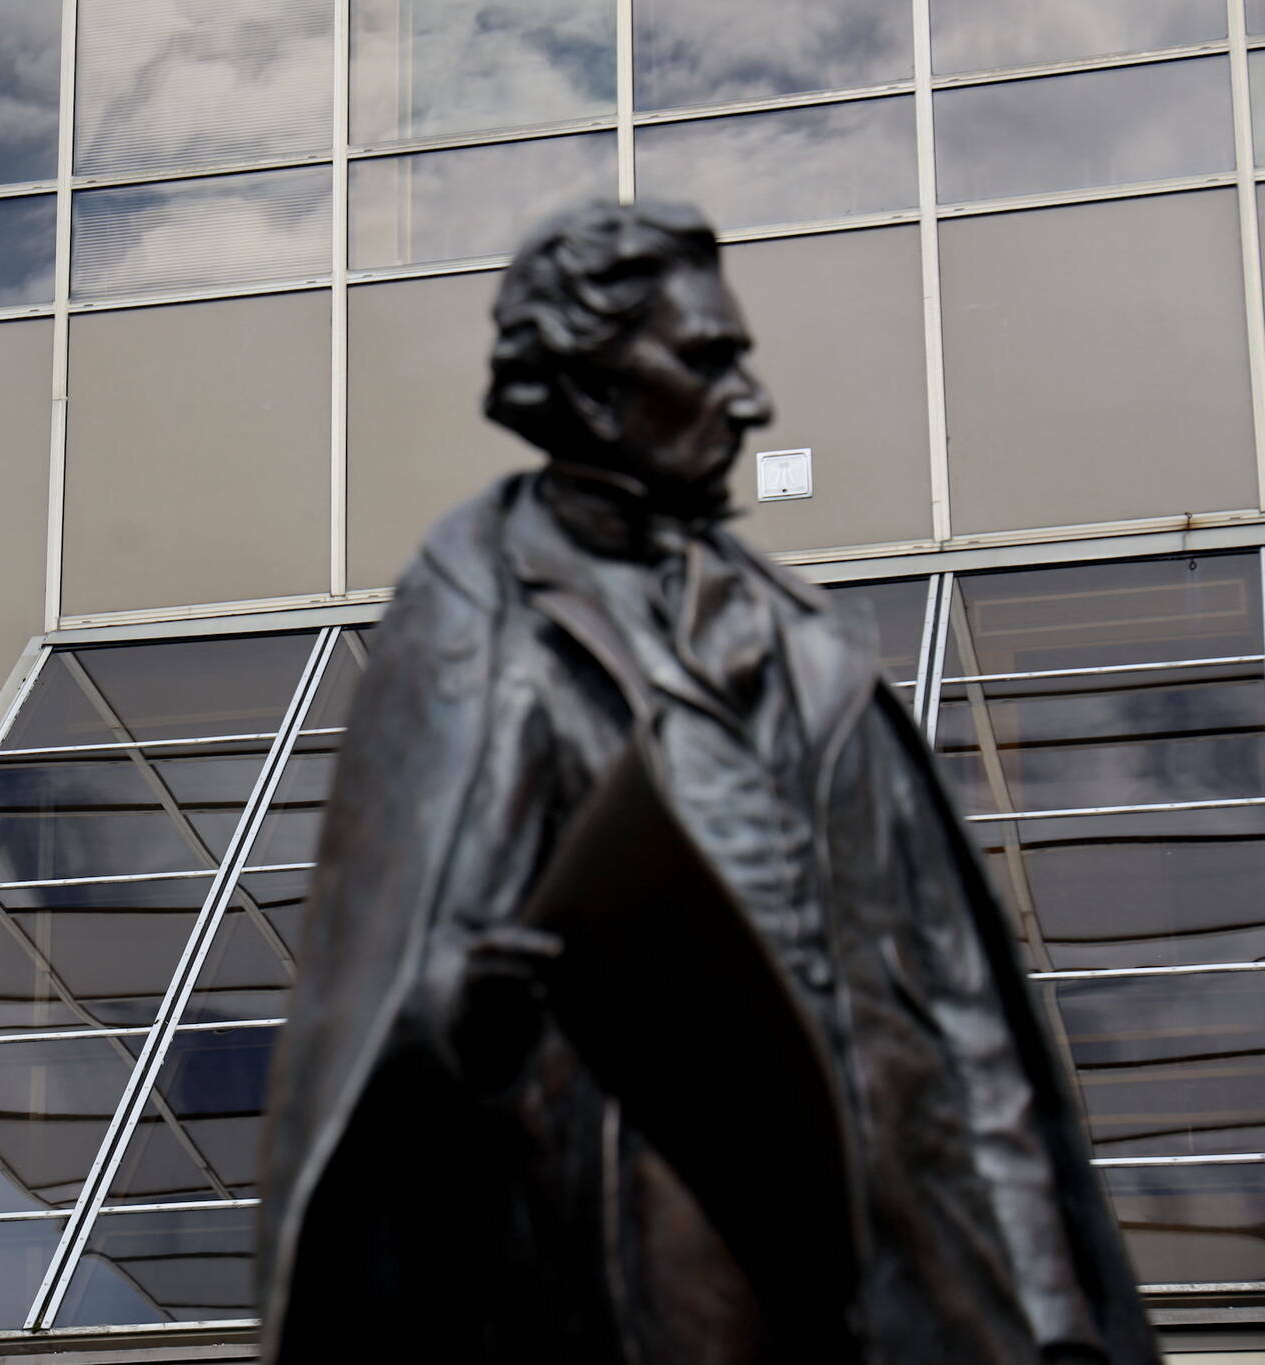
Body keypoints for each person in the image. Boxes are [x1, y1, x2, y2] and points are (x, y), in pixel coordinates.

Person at [255, 200, 1155, 1365]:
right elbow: (381, 982)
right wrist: (453, 1015)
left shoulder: (808, 649)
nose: (751, 401)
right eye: (704, 358)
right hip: (633, 1262)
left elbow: (952, 1016)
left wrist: (1047, 1316)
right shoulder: (473, 624)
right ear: (584, 384)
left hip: (888, 1258)